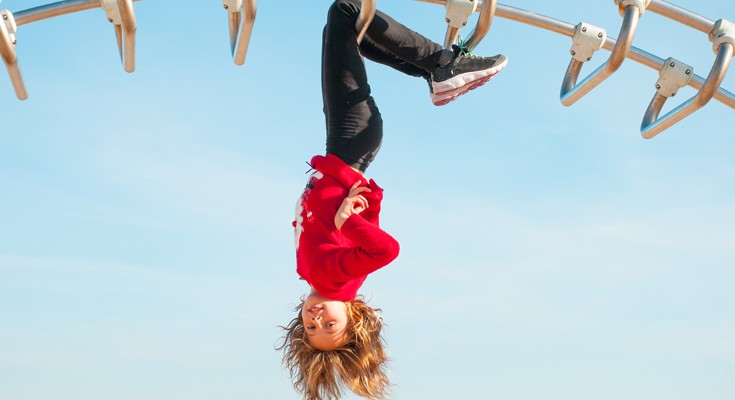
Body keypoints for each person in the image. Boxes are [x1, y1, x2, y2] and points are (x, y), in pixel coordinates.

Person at [277, 1, 507, 399]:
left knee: (354, 31)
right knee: (347, 11)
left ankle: (439, 73)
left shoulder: (321, 277)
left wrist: (359, 206)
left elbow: (361, 232)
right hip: (350, 142)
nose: (316, 319)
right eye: (329, 325)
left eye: (311, 328)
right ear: (353, 317)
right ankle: (442, 65)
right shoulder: (336, 280)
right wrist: (348, 219)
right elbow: (386, 250)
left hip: (349, 146)